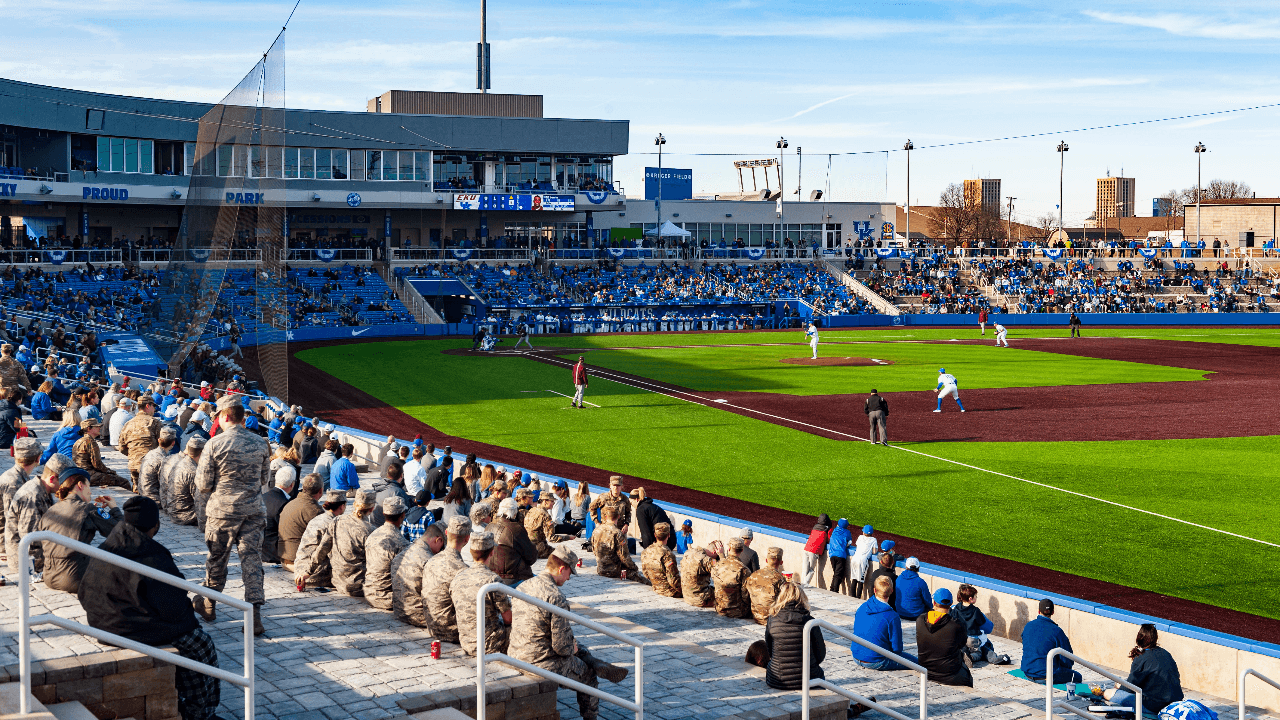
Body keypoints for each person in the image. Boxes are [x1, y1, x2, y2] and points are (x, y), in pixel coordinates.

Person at [77, 497, 222, 720]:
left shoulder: (108, 545)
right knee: (199, 643)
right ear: (155, 525)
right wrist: (188, 623)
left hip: (101, 621)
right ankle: (201, 712)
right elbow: (174, 607)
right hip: (126, 627)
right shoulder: (151, 554)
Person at [509, 545, 629, 720]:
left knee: (576, 645)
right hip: (541, 662)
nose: (569, 578)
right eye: (570, 573)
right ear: (561, 568)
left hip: (516, 653)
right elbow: (562, 648)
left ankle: (590, 658)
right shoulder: (556, 598)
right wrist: (571, 648)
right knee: (588, 675)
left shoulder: (524, 586)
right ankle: (591, 715)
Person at [193, 395, 270, 636]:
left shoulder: (214, 444)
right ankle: (254, 615)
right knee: (252, 561)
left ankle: (209, 604)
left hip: (223, 513)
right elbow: (264, 480)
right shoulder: (260, 443)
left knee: (217, 559)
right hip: (253, 511)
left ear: (225, 416)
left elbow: (203, 484)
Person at [37, 468, 121, 593]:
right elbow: (122, 532)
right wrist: (114, 508)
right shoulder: (88, 509)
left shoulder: (51, 510)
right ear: (80, 485)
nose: (91, 492)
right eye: (89, 486)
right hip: (74, 578)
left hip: (50, 576)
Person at [452, 530, 512, 655]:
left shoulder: (459, 576)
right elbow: (508, 618)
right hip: (490, 645)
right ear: (492, 553)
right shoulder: (493, 580)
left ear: (471, 551)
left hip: (466, 641)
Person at [9, 453, 71, 575]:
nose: (67, 487)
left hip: (36, 553)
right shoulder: (33, 496)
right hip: (27, 563)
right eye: (65, 482)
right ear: (52, 478)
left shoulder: (43, 488)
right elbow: (30, 542)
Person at [1103, 624, 1184, 715]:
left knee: (1108, 693)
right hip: (1175, 702)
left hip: (1155, 705)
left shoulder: (1141, 657)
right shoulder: (1165, 653)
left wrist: (1119, 687)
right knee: (1120, 684)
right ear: (1155, 638)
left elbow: (1130, 687)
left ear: (1139, 638)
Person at [764, 581, 825, 690]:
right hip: (809, 678)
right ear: (802, 598)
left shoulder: (772, 620)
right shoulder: (810, 622)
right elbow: (820, 654)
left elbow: (770, 650)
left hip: (778, 680)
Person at [851, 575, 917, 671]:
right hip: (876, 661)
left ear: (874, 590)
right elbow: (897, 649)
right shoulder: (892, 616)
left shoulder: (862, 607)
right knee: (916, 663)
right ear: (891, 591)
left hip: (856, 655)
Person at [422, 516, 471, 643]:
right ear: (467, 538)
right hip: (451, 632)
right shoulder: (462, 570)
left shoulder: (430, 561)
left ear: (446, 532)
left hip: (432, 627)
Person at [915, 588, 973, 686]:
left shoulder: (920, 620)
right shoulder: (957, 625)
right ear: (950, 604)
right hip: (950, 673)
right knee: (968, 677)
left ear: (934, 603)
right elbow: (961, 644)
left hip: (925, 670)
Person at [393, 523, 447, 627]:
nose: (440, 551)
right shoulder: (429, 560)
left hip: (400, 611)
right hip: (419, 616)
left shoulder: (402, 553)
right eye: (442, 547)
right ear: (438, 540)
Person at [294, 490, 348, 590]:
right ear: (342, 506)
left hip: (299, 569)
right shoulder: (335, 524)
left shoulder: (316, 519)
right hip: (314, 576)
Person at [1, 438, 42, 568]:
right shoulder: (14, 482)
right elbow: (11, 520)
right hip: (6, 540)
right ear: (37, 459)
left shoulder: (17, 476)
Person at [1020, 599, 1082, 684]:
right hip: (1047, 675)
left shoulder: (1028, 626)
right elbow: (1068, 659)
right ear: (1052, 612)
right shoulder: (1057, 631)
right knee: (1078, 677)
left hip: (1027, 672)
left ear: (1039, 611)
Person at [365, 496, 409, 610]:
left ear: (384, 514)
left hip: (369, 593)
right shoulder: (401, 543)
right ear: (403, 515)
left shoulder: (372, 534)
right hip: (387, 598)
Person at [950, 584, 1011, 666]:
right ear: (970, 598)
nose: (976, 598)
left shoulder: (956, 608)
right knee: (978, 653)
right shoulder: (976, 611)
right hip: (972, 638)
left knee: (963, 648)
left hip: (961, 638)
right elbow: (984, 625)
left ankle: (963, 654)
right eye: (975, 596)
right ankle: (971, 657)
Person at [331, 489, 376, 597]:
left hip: (337, 581)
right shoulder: (371, 530)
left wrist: (306, 572)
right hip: (358, 586)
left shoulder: (337, 520)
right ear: (372, 508)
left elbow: (323, 548)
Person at [278, 474, 324, 570]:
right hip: (299, 562)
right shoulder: (314, 510)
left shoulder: (291, 503)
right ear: (321, 490)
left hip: (284, 558)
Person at [488, 498, 537, 586]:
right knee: (543, 582)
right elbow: (531, 558)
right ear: (515, 513)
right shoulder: (516, 529)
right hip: (512, 578)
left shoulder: (489, 526)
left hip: (491, 575)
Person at [71, 418, 130, 489]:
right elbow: (97, 464)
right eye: (96, 426)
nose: (99, 428)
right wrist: (110, 471)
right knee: (124, 482)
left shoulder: (78, 441)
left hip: (79, 474)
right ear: (89, 428)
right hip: (89, 475)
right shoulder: (90, 442)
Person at [118, 397, 161, 490]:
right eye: (153, 406)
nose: (154, 410)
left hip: (133, 464)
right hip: (150, 464)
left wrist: (133, 455)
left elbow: (121, 447)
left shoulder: (128, 424)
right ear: (147, 406)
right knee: (151, 493)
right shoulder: (154, 422)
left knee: (137, 491)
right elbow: (162, 444)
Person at [592, 505, 643, 582]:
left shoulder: (596, 530)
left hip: (600, 568)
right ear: (618, 517)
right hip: (614, 570)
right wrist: (634, 567)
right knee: (640, 577)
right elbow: (624, 556)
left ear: (606, 517)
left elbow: (594, 550)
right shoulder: (617, 533)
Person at [168, 437, 206, 529]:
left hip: (173, 512)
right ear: (201, 454)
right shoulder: (193, 471)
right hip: (186, 516)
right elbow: (199, 501)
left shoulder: (180, 463)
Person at [745, 547, 787, 625]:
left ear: (766, 560)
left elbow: (746, 594)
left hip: (756, 617)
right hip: (772, 620)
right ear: (781, 562)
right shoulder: (780, 579)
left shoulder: (754, 575)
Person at [261, 467, 294, 565]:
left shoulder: (263, 496)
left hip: (261, 549)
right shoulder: (284, 503)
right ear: (292, 484)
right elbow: (287, 532)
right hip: (274, 553)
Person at [713, 536, 752, 618]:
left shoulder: (718, 564)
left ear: (729, 548)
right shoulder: (744, 570)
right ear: (742, 550)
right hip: (737, 611)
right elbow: (745, 595)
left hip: (719, 608)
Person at [641, 522, 681, 598]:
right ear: (668, 535)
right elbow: (673, 580)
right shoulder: (668, 554)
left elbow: (645, 573)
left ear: (655, 535)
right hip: (669, 591)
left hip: (655, 587)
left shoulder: (646, 551)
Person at [137, 426, 177, 503]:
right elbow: (166, 486)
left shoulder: (150, 453)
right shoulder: (164, 460)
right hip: (154, 500)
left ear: (159, 440)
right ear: (173, 443)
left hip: (143, 494)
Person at [680, 540, 720, 607]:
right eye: (717, 556)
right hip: (699, 599)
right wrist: (721, 555)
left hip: (686, 595)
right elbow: (723, 571)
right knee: (726, 594)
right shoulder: (707, 559)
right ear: (714, 552)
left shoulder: (689, 552)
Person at [524, 492, 559, 558]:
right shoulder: (546, 515)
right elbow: (551, 538)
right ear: (545, 501)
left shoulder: (531, 510)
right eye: (552, 501)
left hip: (527, 545)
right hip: (538, 548)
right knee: (561, 554)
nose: (553, 503)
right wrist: (568, 537)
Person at [802, 513, 830, 588]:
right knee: (811, 569)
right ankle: (805, 584)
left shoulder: (815, 527)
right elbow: (828, 539)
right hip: (814, 550)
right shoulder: (827, 529)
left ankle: (803, 583)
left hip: (807, 548)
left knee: (805, 568)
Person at [827, 518, 852, 595]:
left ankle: (832, 588)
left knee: (836, 573)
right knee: (838, 574)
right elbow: (849, 542)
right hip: (841, 555)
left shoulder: (835, 530)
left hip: (832, 555)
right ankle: (835, 591)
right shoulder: (847, 532)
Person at [851, 525, 877, 599]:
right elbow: (875, 551)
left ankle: (852, 597)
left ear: (863, 532)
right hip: (862, 561)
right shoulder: (874, 540)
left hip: (854, 559)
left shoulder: (860, 537)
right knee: (860, 581)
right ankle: (857, 598)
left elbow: (857, 545)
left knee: (854, 579)